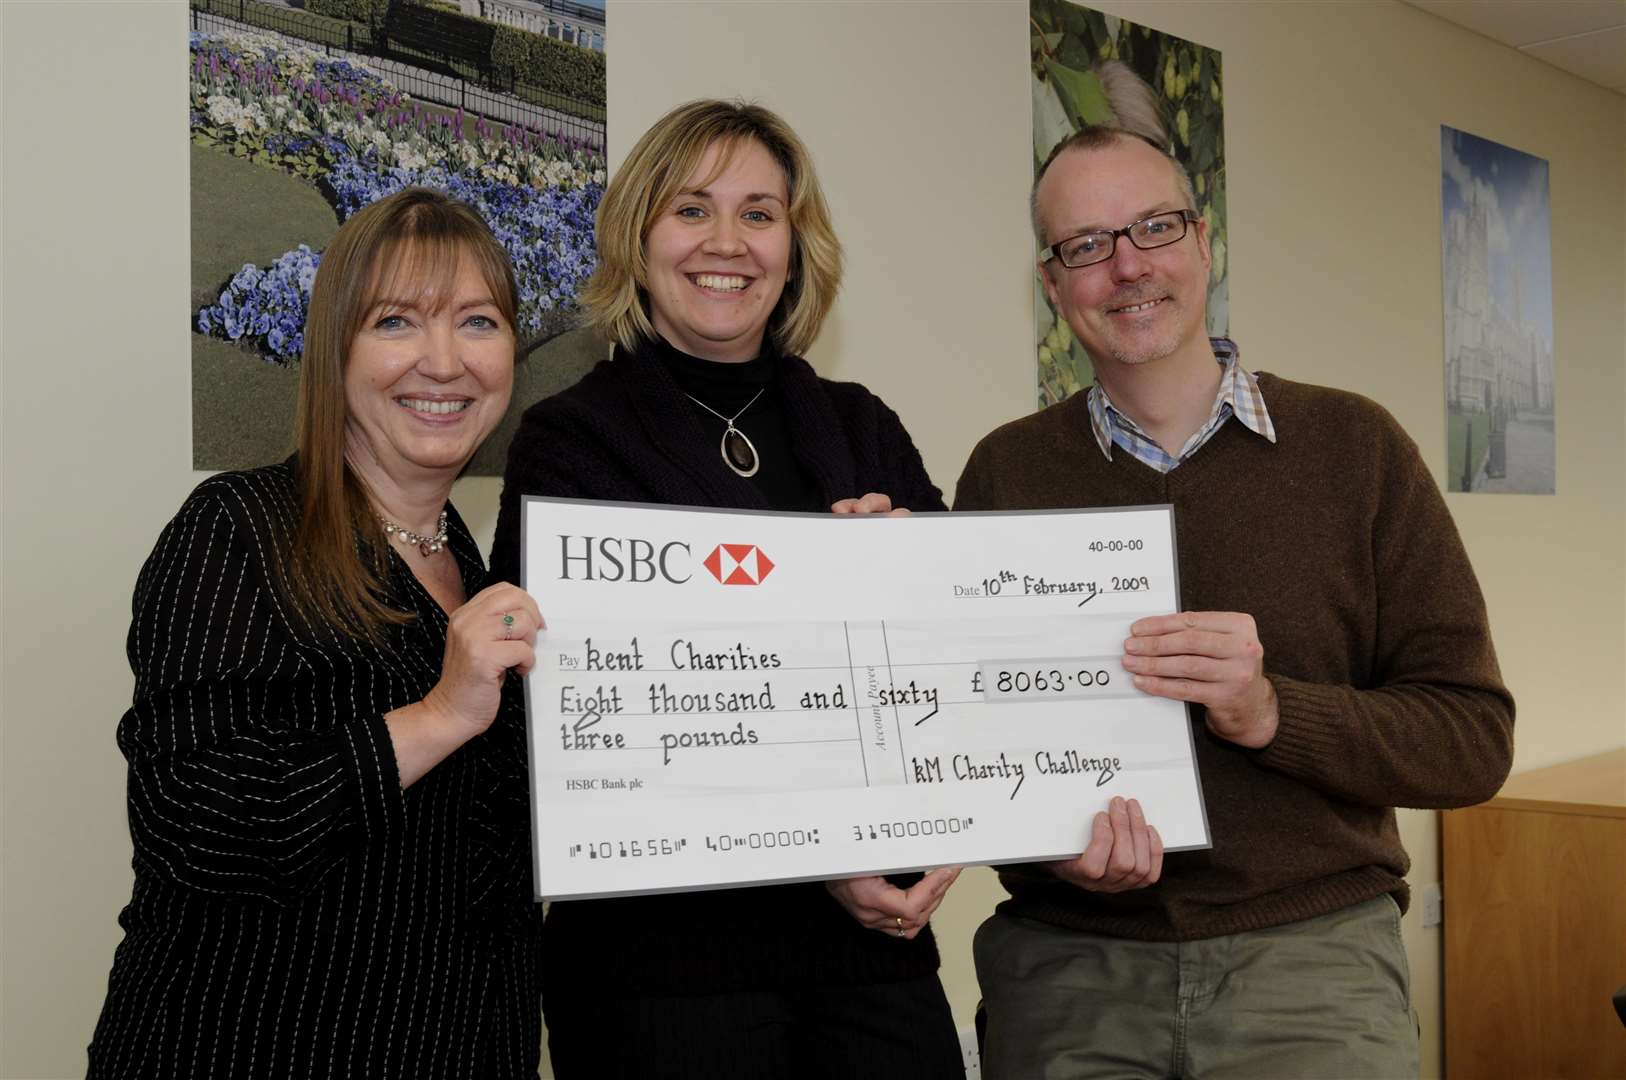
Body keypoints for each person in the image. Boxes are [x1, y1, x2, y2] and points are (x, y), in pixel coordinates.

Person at [954, 126, 1515, 1079]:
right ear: (1052, 285)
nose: (1127, 266)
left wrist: (1271, 712)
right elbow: (966, 737)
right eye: (1086, 245)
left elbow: (1471, 741)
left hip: (1312, 963)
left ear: (1204, 242)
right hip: (1068, 975)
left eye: (1154, 227)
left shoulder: (1355, 449)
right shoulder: (1006, 471)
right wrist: (1051, 847)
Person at [489, 99, 964, 1079]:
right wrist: (818, 842)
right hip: (656, 970)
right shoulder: (570, 441)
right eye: (692, 209)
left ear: (795, 246)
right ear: (639, 235)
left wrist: (916, 587)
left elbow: (950, 677)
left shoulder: (863, 425)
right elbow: (573, 713)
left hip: (876, 954)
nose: (727, 242)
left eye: (759, 213)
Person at [88, 189, 545, 1078]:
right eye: (398, 322)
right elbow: (192, 824)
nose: (444, 361)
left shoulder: (487, 583)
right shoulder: (238, 529)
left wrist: (842, 581)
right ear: (335, 350)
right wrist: (441, 714)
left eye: (478, 322)